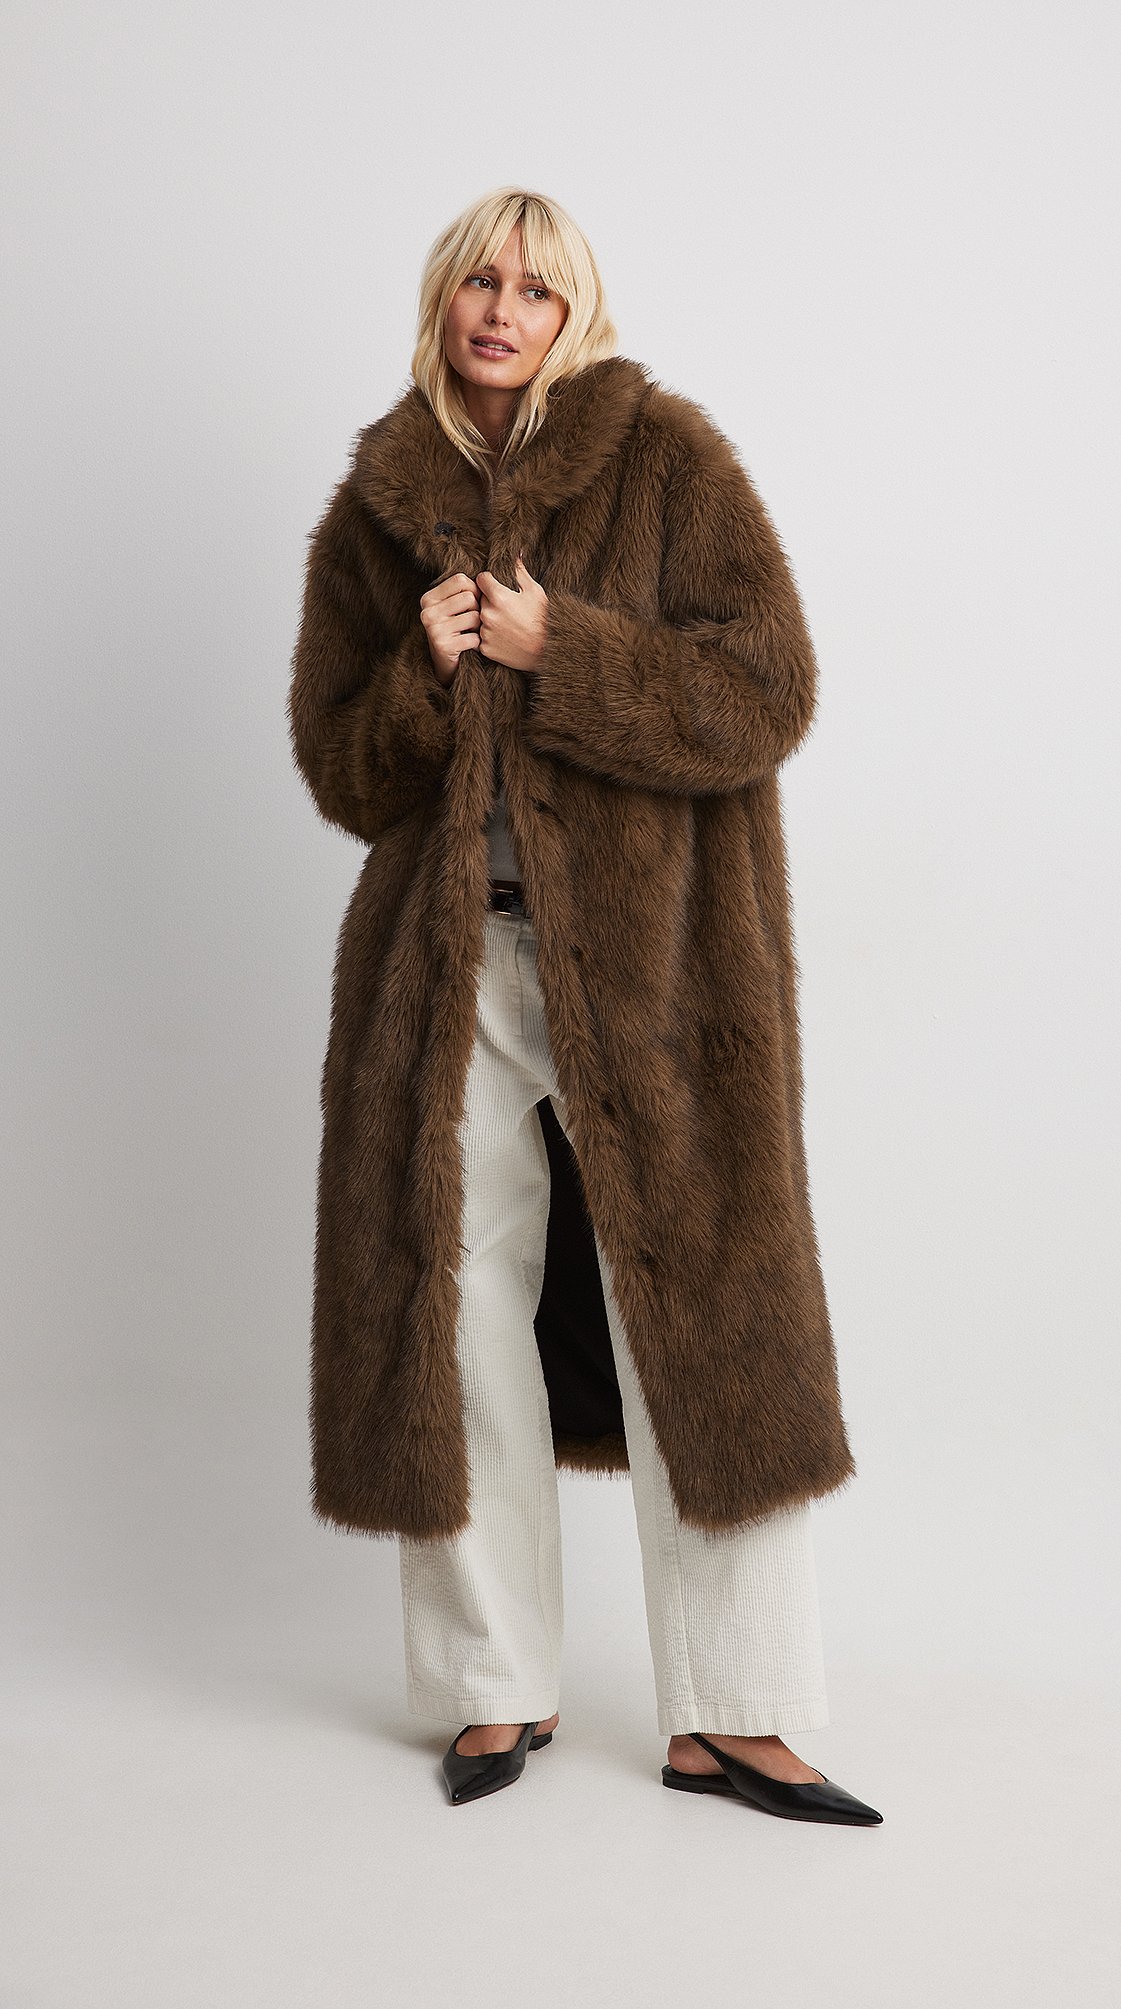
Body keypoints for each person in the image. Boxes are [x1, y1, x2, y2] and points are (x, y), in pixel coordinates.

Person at [288, 186, 881, 1827]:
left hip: (658, 972)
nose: (503, 308)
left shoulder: (666, 460)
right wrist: (418, 673)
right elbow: (342, 772)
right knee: (450, 1311)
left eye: (537, 288)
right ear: (445, 298)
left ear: (575, 313)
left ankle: (738, 1713)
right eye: (481, 279)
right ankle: (494, 1686)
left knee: (707, 1308)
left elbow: (771, 689)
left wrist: (574, 652)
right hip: (445, 972)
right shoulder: (378, 504)